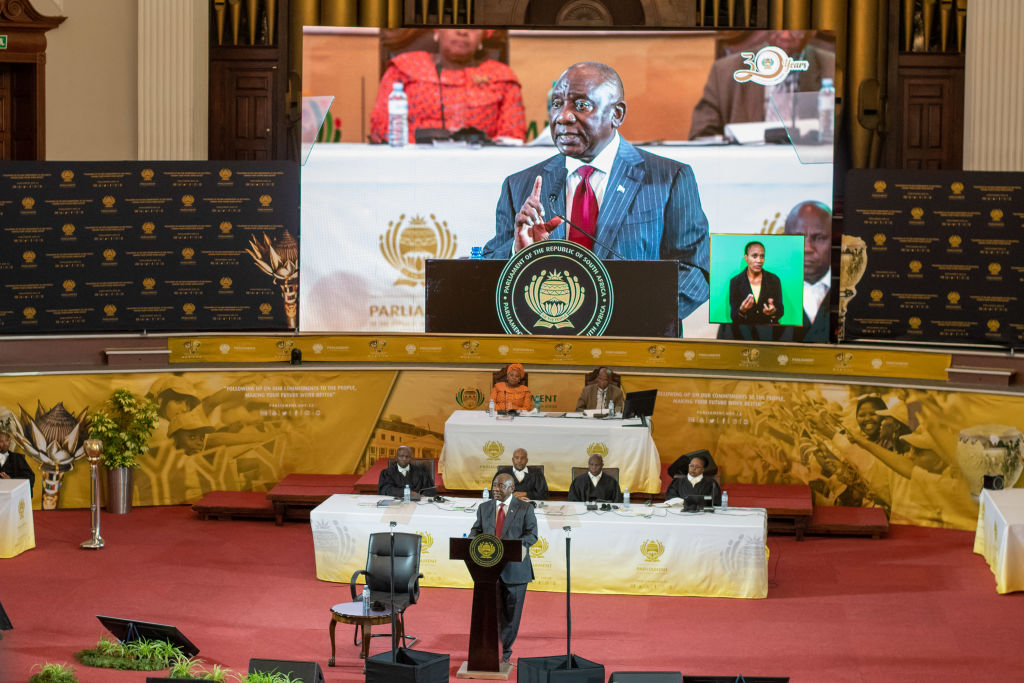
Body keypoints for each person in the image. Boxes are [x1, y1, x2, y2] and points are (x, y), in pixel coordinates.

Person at [482, 61, 710, 325]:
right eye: (557, 104)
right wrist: (517, 252)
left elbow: (696, 271)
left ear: (617, 114)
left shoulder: (669, 178)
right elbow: (487, 273)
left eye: (581, 105)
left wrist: (628, 315)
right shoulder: (519, 185)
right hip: (548, 335)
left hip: (634, 337)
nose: (563, 117)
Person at [369, 29, 526, 144]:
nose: (462, 32)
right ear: (437, 31)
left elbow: (513, 136)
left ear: (482, 36)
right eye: (454, 24)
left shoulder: (502, 76)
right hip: (413, 163)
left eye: (472, 27)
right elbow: (381, 129)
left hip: (481, 165)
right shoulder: (403, 69)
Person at [689, 30, 836, 139]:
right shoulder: (725, 71)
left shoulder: (833, 68)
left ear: (812, 31)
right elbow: (701, 134)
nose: (785, 36)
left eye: (796, 30)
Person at [469, 473, 538, 664]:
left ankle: (504, 652)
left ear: (511, 488)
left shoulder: (525, 508)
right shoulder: (484, 508)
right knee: (489, 613)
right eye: (494, 485)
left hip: (515, 570)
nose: (496, 489)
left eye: (500, 486)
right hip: (488, 571)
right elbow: (476, 530)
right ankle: (490, 649)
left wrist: (510, 548)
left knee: (511, 615)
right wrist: (472, 540)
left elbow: (532, 535)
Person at [729, 241, 783, 324]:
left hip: (768, 328)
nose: (759, 260)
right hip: (745, 329)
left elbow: (780, 311)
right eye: (754, 256)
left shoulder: (774, 280)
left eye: (762, 256)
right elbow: (733, 316)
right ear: (746, 258)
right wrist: (742, 310)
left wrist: (773, 311)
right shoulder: (735, 282)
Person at [0, 431, 34, 497]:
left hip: (13, 496)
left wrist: (11, 481)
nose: (5, 444)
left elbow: (30, 477)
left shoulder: (18, 458)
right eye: (1, 441)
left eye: (6, 440)